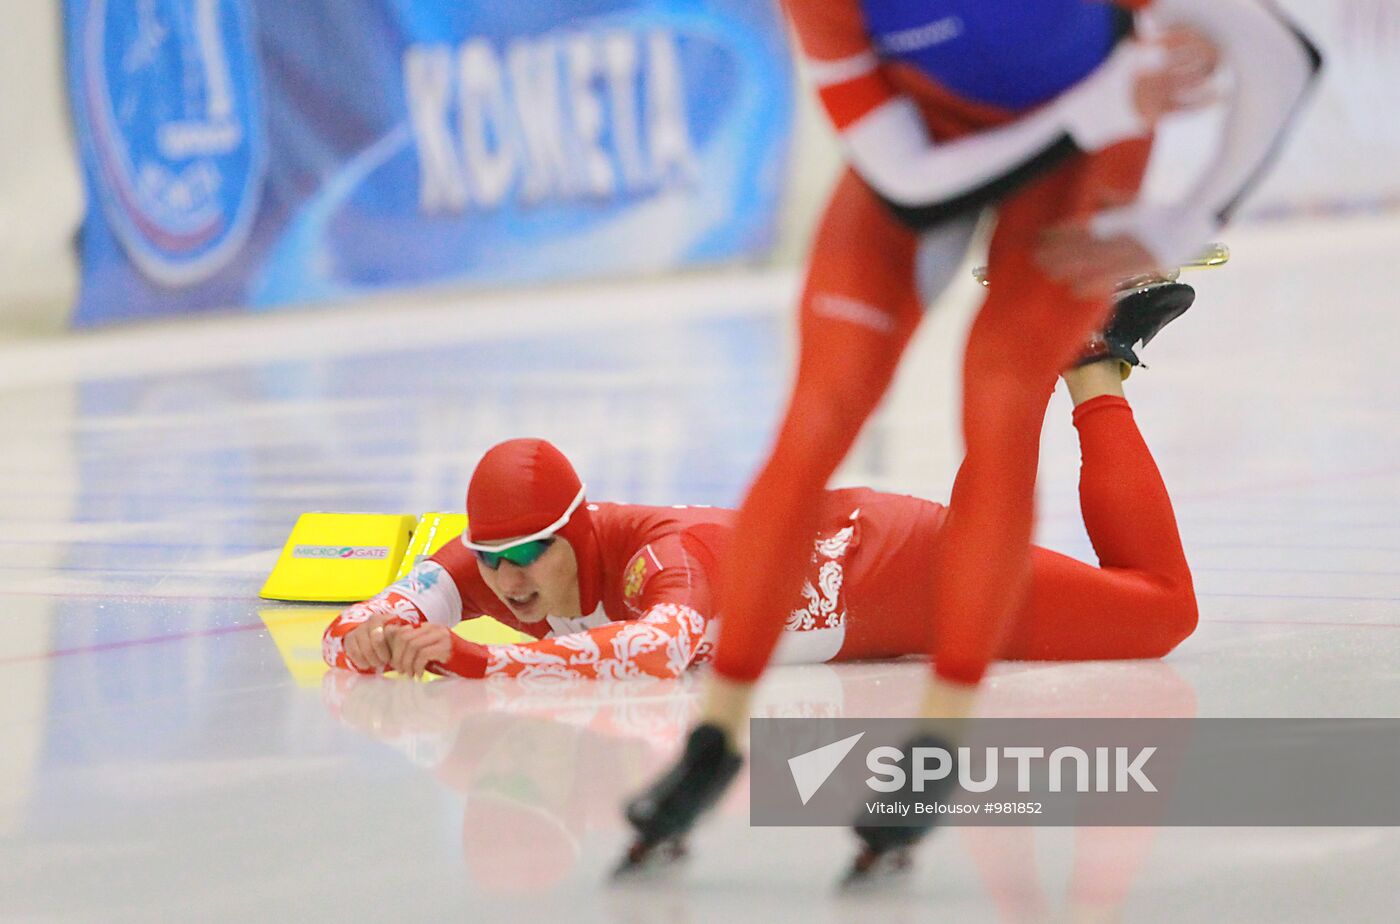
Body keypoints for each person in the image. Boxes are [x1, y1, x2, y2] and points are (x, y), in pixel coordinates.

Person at [625, 0, 1321, 867]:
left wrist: (1183, 220)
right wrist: (1093, 111)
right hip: (943, 152)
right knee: (817, 418)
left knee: (998, 405)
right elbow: (913, 183)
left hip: (1078, 173)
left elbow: (1281, 56)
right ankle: (713, 743)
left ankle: (937, 743)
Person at [322, 333, 1197, 687]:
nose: (509, 582)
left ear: (577, 532)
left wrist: (473, 661)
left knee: (1160, 612)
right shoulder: (499, 560)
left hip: (905, 566)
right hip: (877, 589)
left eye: (531, 555)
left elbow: (657, 649)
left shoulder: (663, 556)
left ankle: (1078, 362)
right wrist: (372, 633)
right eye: (496, 557)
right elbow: (360, 620)